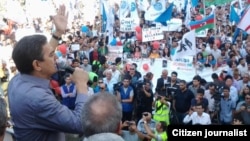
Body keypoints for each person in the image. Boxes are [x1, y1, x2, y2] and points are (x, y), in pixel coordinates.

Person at [8, 5, 89, 141]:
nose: (56, 57)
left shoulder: (18, 80)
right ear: (37, 65)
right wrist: (81, 85)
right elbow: (80, 124)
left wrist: (57, 33)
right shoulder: (37, 99)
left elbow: (41, 53)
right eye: (52, 55)